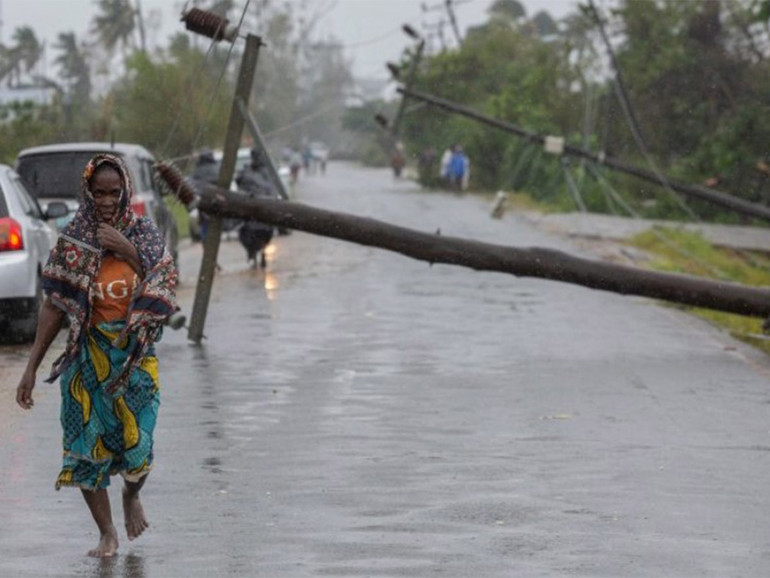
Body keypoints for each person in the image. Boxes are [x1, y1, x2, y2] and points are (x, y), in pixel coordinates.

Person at [15, 154, 178, 558]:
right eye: (99, 193)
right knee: (84, 449)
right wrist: (32, 366)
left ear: (125, 192)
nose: (106, 200)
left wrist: (127, 252)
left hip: (134, 358)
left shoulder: (142, 233)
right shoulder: (75, 238)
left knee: (138, 450)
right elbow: (55, 304)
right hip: (86, 356)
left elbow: (165, 279)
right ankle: (107, 533)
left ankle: (131, 494)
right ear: (87, 192)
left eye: (114, 192)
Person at [235, 148, 275, 268]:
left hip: (253, 217)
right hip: (264, 217)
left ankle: (253, 254)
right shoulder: (267, 172)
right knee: (261, 235)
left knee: (246, 234)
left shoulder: (250, 171)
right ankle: (259, 252)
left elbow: (239, 181)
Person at [190, 149, 219, 241]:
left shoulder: (197, 170)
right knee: (215, 219)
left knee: (204, 222)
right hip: (215, 199)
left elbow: (193, 184)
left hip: (202, 200)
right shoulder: (216, 169)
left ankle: (205, 238)